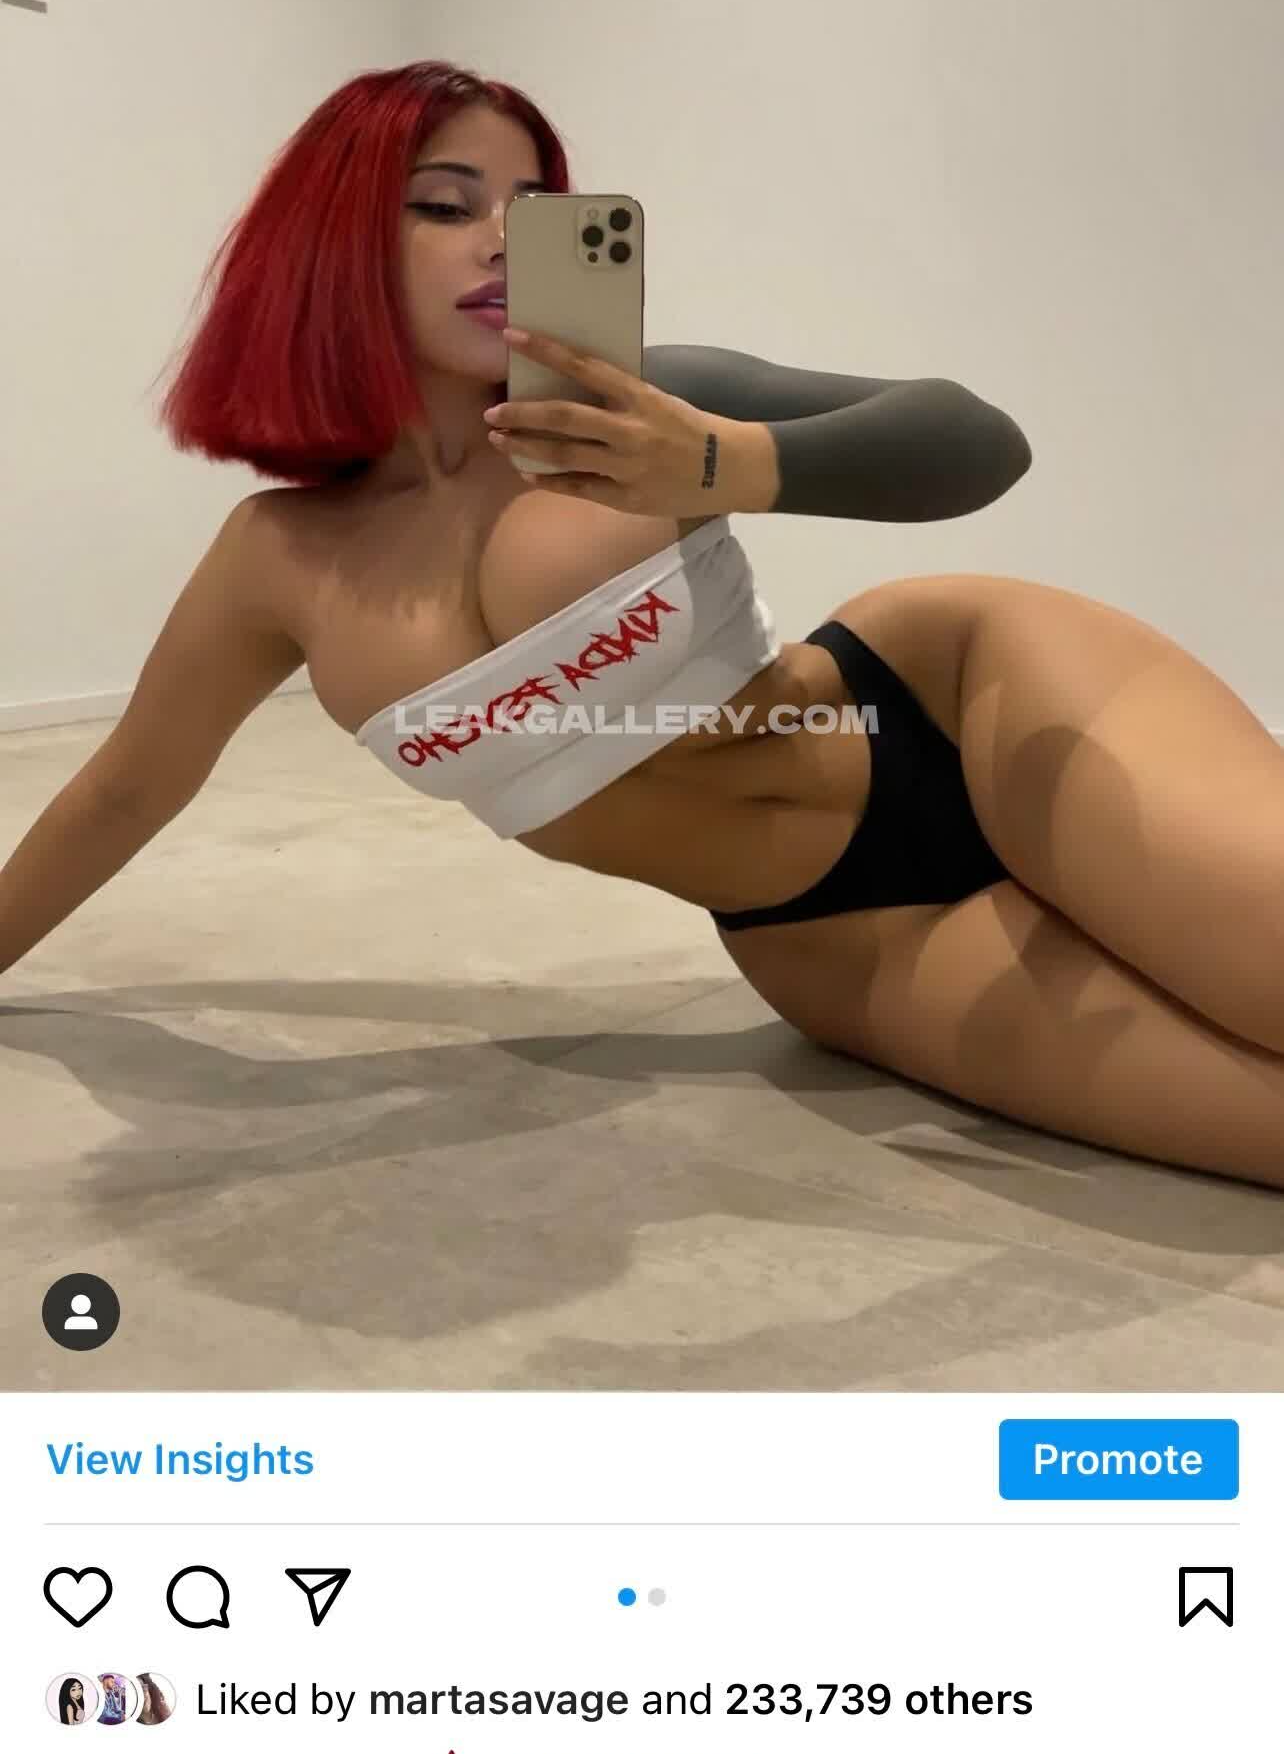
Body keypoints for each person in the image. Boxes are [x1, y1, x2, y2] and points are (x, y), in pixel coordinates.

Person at [1, 62, 1282, 1185]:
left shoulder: (638, 404)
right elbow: (126, 788)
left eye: (532, 209)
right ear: (329, 246)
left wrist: (719, 463)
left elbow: (976, 440)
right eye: (444, 205)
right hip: (834, 938)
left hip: (969, 709)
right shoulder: (276, 558)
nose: (501, 241)